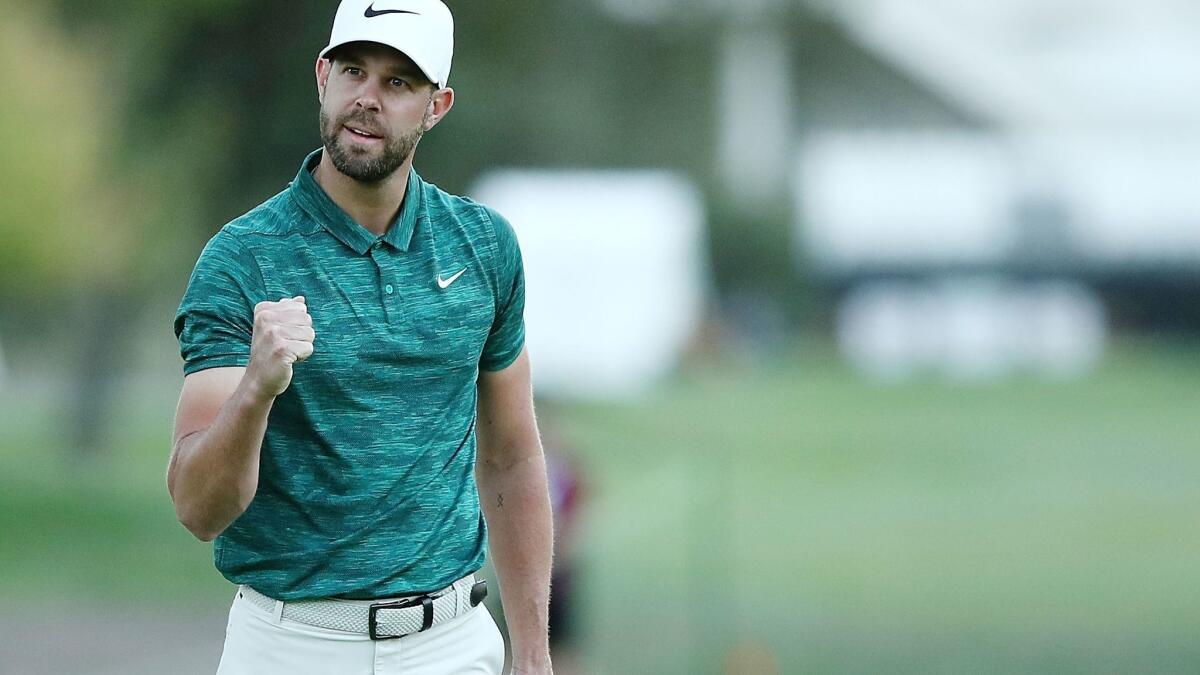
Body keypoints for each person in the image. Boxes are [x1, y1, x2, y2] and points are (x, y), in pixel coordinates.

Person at [168, 1, 553, 673]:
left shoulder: (484, 247)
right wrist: (256, 390)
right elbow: (199, 508)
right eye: (354, 71)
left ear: (438, 105)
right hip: (291, 645)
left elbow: (512, 457)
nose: (367, 98)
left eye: (398, 82)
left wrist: (534, 651)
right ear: (323, 76)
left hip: (452, 643)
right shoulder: (242, 258)